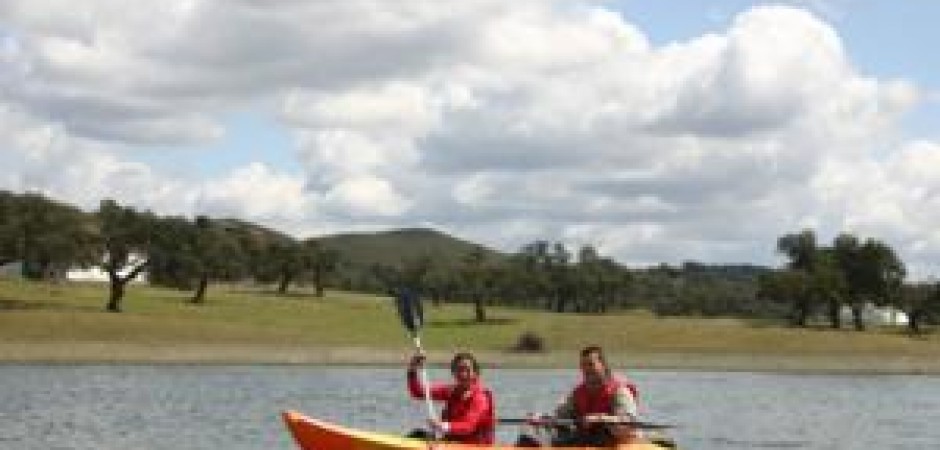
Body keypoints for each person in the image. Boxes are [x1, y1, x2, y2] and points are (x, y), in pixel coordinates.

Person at [517, 345, 640, 447]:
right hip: (585, 438)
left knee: (602, 432)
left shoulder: (620, 391)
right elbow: (560, 417)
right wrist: (542, 419)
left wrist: (600, 418)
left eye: (591, 364)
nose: (587, 369)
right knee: (535, 430)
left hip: (613, 440)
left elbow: (628, 421)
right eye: (583, 365)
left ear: (603, 366)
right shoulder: (578, 393)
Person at [405, 351, 495, 445]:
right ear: (453, 373)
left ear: (475, 373)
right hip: (452, 443)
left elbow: (468, 426)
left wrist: (442, 425)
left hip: (475, 446)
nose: (463, 374)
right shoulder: (451, 391)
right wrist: (413, 368)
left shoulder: (480, 398)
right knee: (417, 435)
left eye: (467, 370)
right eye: (459, 370)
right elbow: (418, 392)